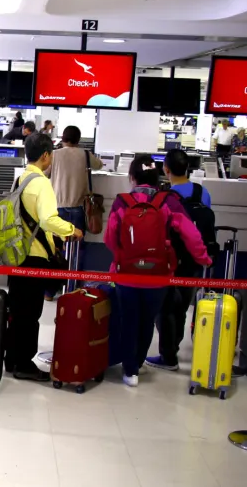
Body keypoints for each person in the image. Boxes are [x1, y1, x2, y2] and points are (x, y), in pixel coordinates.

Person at [104, 154, 211, 387]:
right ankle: (138, 362)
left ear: (132, 177)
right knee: (147, 320)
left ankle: (129, 369)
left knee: (129, 320)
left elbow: (110, 237)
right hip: (158, 276)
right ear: (157, 176)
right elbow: (190, 234)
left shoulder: (122, 201)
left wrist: (122, 257)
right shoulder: (169, 201)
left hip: (126, 275)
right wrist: (204, 258)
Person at [4, 133, 82, 381]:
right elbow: (48, 220)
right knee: (30, 313)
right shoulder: (41, 183)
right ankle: (24, 365)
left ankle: (12, 359)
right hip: (34, 256)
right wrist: (71, 229)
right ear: (46, 155)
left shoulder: (21, 178)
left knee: (17, 311)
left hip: (17, 254)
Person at [145, 150, 214, 371]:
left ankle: (168, 356)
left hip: (170, 261)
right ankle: (172, 348)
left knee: (165, 308)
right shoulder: (203, 193)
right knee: (183, 307)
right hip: (194, 260)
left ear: (165, 169)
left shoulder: (164, 197)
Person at [46, 126, 103, 300]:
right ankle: (71, 289)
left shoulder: (54, 155)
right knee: (77, 250)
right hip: (78, 208)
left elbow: (45, 172)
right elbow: (99, 165)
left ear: (63, 137)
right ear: (79, 139)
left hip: (58, 208)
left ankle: (49, 291)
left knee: (55, 249)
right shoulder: (85, 154)